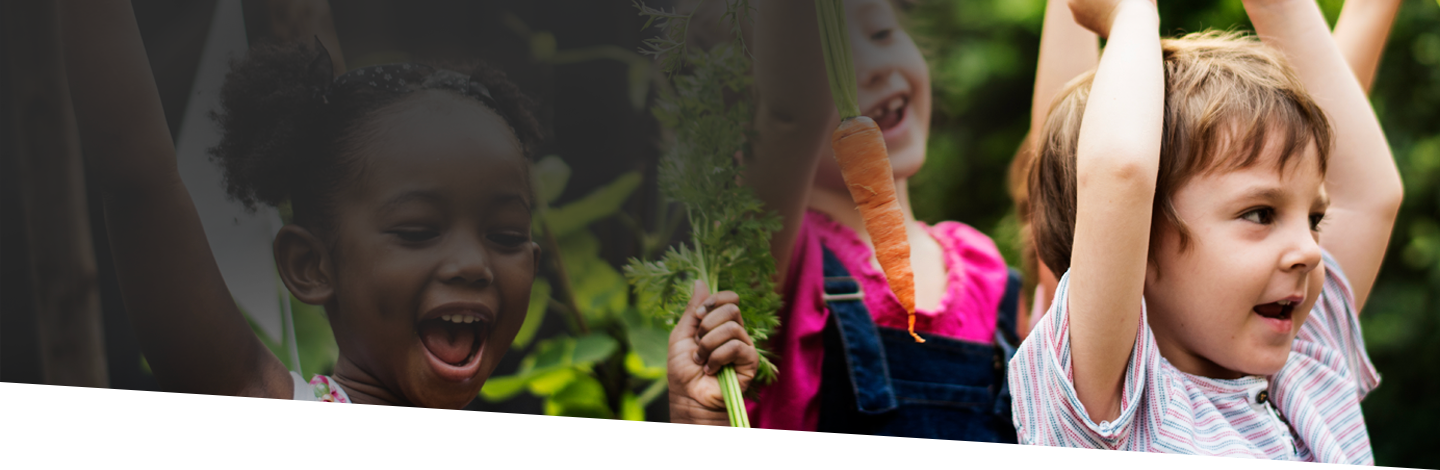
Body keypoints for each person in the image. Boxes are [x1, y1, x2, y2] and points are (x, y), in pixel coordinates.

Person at [58, 1, 754, 468]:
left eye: (506, 233)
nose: (473, 262)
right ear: (309, 264)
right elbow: (137, 181)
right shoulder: (259, 428)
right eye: (419, 229)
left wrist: (705, 436)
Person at [1011, 0, 1401, 466]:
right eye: (1260, 213)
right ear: (1138, 241)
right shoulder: (1113, 416)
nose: (1309, 251)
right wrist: (1129, 13)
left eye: (1314, 220)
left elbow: (1369, 199)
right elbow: (1122, 173)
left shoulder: (1305, 367)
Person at [739, 0, 1088, 467]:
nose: (873, 70)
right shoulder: (781, 262)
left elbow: (1068, 166)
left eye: (882, 34)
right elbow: (790, 115)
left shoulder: (982, 270)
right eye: (830, 60)